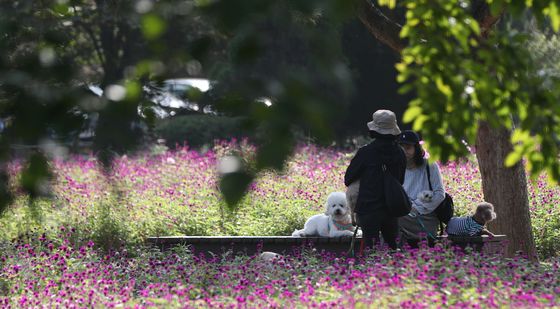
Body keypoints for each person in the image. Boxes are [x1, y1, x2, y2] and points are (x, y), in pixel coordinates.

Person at [344, 110, 406, 250]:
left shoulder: (366, 152)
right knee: (392, 248)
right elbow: (400, 180)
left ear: (374, 130)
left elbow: (348, 179)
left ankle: (372, 272)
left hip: (368, 209)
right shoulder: (400, 153)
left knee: (371, 251)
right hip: (391, 208)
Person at [397, 130, 446, 247]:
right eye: (401, 147)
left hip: (425, 217)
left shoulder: (430, 166)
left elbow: (439, 194)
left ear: (416, 149)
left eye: (408, 147)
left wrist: (416, 207)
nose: (404, 151)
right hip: (403, 214)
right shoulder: (396, 168)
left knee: (392, 219)